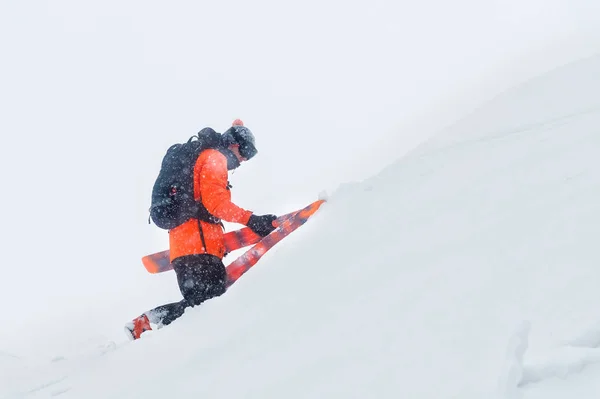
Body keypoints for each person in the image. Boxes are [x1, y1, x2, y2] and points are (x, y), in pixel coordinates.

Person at [125, 119, 277, 340]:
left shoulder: (201, 158)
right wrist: (252, 220)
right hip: (200, 249)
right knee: (206, 308)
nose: (244, 159)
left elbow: (202, 205)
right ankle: (147, 322)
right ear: (233, 143)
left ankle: (146, 323)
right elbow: (216, 204)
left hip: (184, 250)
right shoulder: (214, 158)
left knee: (198, 307)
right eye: (246, 150)